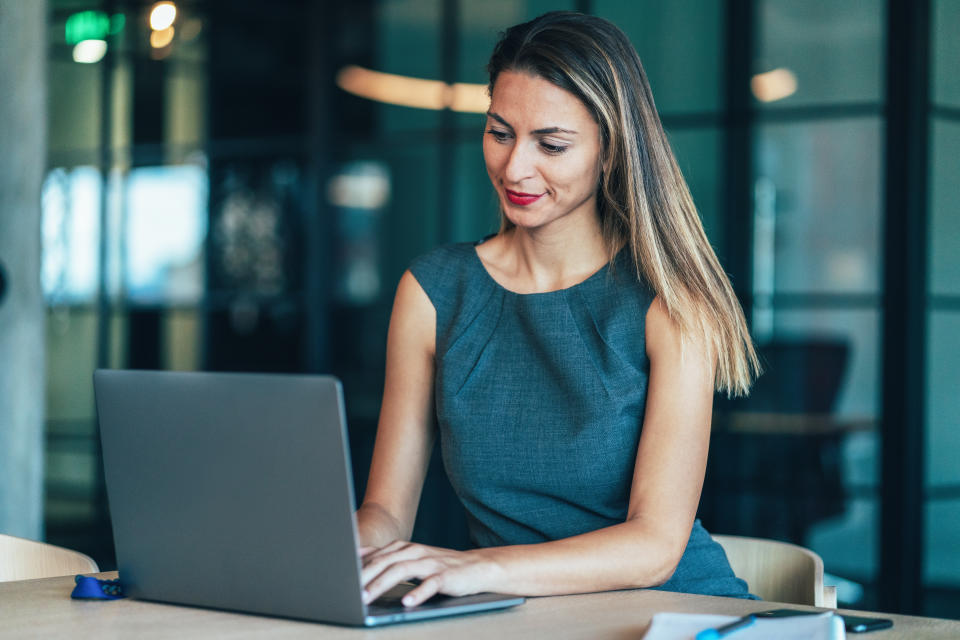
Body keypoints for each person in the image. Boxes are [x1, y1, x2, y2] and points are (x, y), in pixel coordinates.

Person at [355, 11, 761, 608]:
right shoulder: (435, 290)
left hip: (674, 613)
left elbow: (655, 545)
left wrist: (477, 567)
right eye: (499, 133)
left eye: (551, 144)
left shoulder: (670, 305)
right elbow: (387, 511)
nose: (516, 167)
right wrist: (328, 550)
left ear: (610, 149)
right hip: (526, 619)